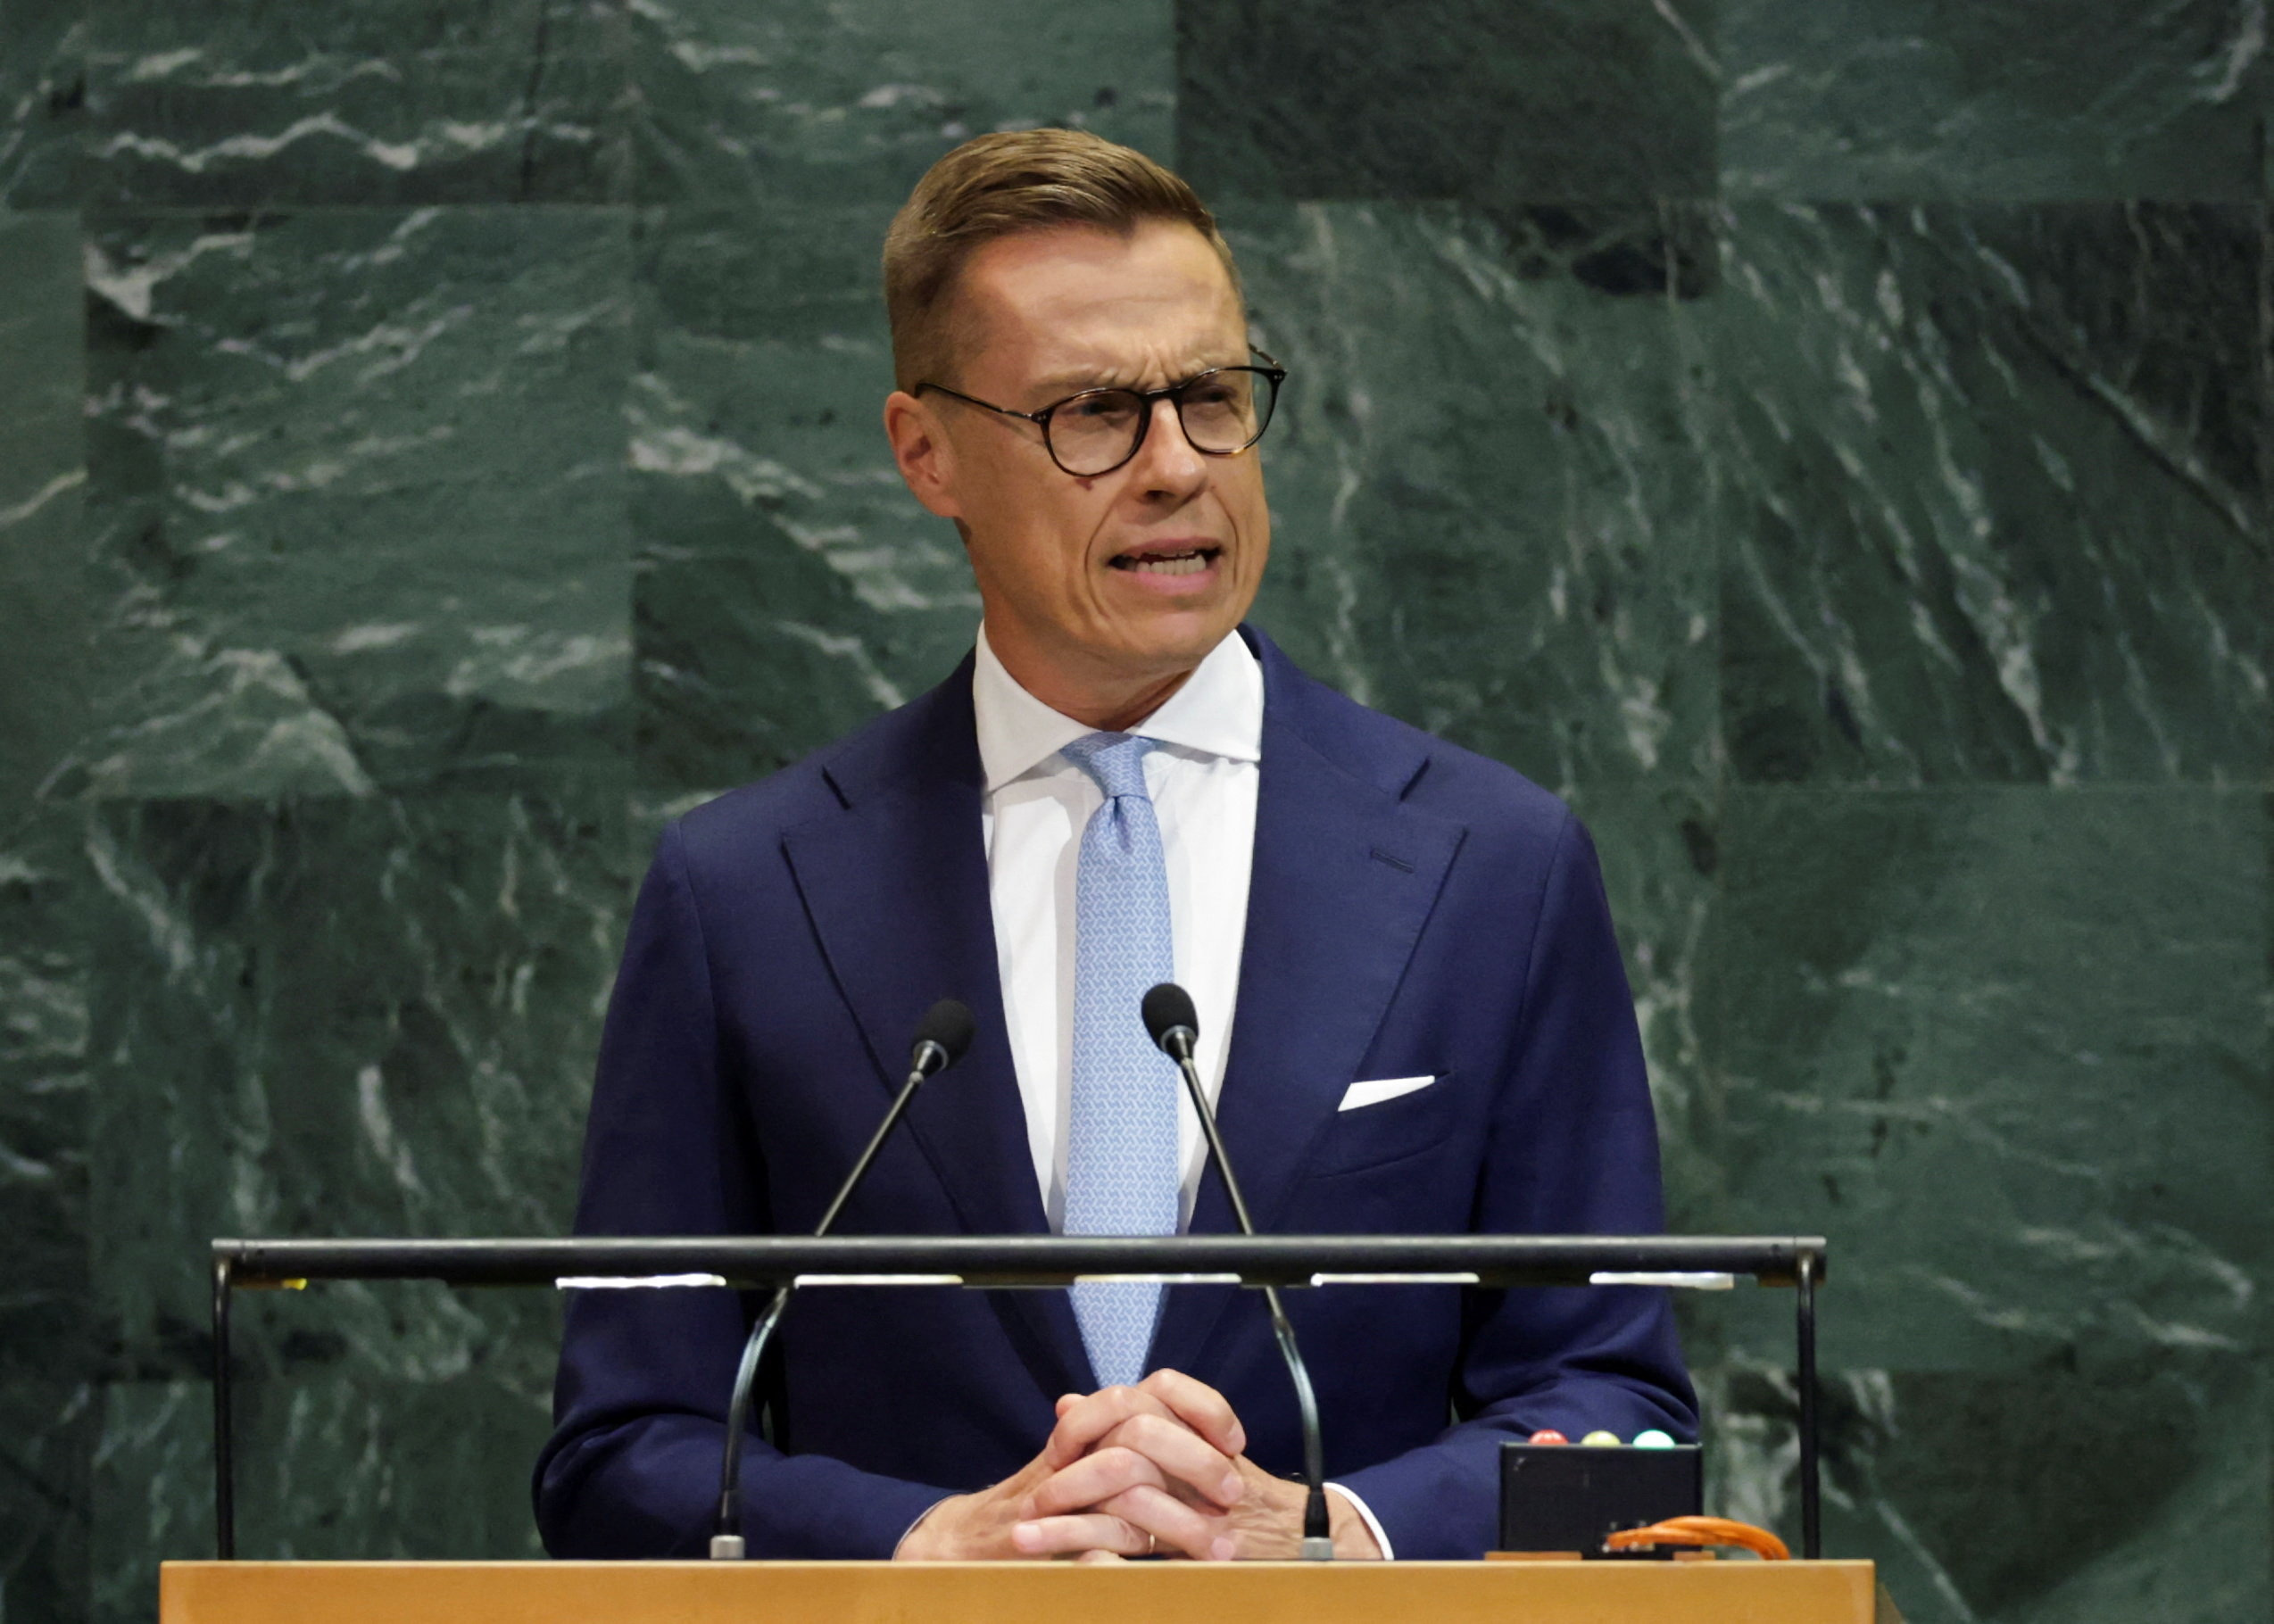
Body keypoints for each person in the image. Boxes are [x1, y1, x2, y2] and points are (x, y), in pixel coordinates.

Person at [535, 128, 1694, 1563]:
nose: (1174, 469)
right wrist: (929, 1547)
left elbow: (1623, 1419)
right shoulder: (746, 896)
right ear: (927, 452)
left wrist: (1339, 1534)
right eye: (1093, 414)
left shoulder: (1493, 866)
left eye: (1212, 398)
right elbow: (616, 1455)